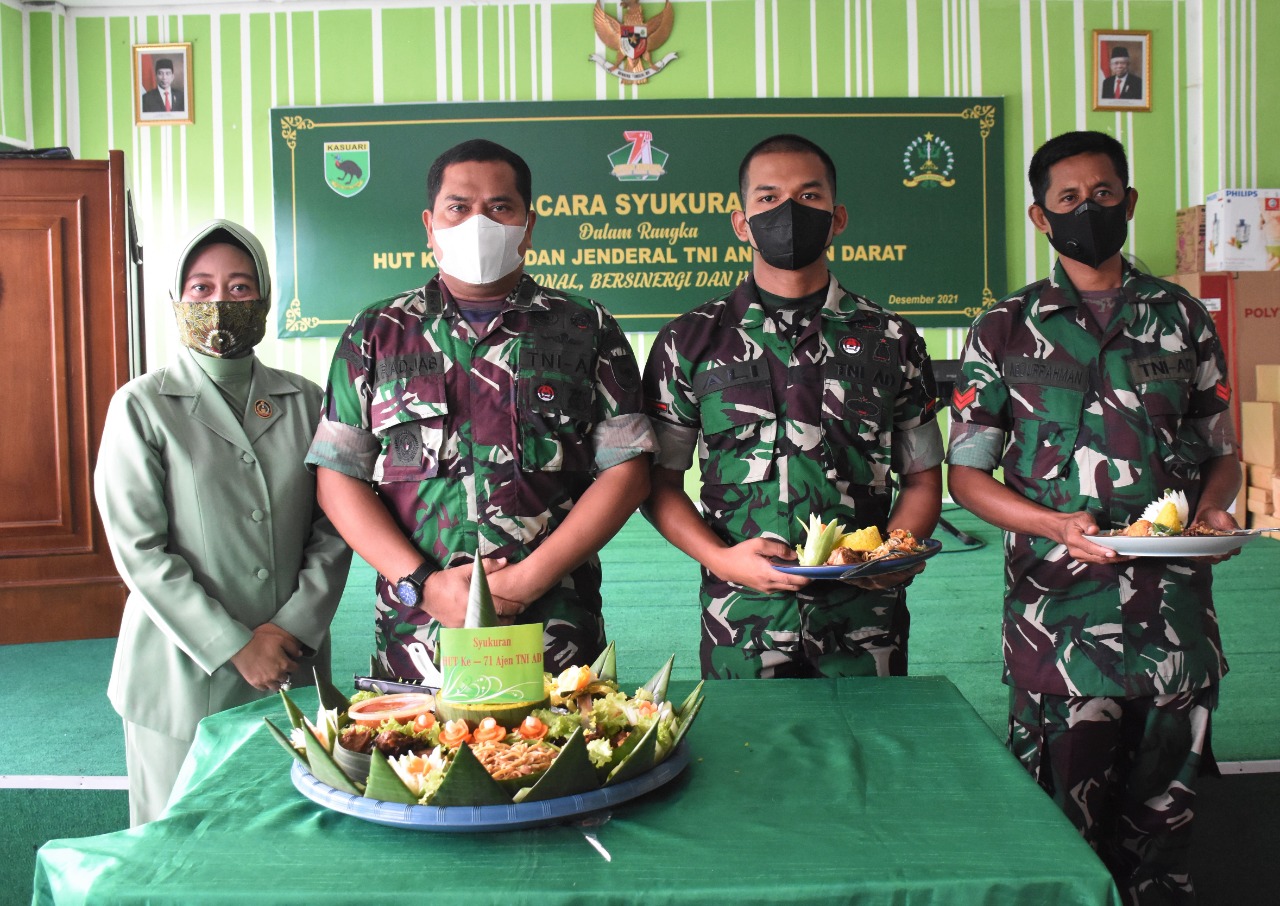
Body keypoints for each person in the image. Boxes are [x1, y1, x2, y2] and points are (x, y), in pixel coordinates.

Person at [946, 130, 1242, 904]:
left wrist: (1213, 510)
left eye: (1103, 194)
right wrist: (1050, 525)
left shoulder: (1181, 318)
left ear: (1129, 201)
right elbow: (968, 478)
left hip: (1174, 617)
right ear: (1042, 218)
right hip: (1059, 618)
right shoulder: (1005, 328)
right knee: (1056, 831)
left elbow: (1220, 450)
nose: (1088, 209)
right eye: (1068, 199)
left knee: (1163, 834)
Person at [306, 138, 655, 681]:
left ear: (528, 225)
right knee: (418, 764)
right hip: (420, 634)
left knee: (559, 757)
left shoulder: (587, 327)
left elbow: (627, 472)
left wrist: (530, 579)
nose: (479, 221)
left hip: (554, 629)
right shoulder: (375, 334)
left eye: (500, 207)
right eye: (459, 207)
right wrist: (421, 582)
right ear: (430, 225)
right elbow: (337, 477)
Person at [642, 133, 943, 680]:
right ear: (741, 223)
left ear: (837, 217)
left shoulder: (892, 339)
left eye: (809, 197)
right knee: (745, 760)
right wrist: (721, 559)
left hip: (865, 616)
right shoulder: (689, 342)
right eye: (768, 198)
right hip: (742, 615)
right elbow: (658, 484)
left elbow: (922, 478)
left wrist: (893, 558)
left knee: (872, 757)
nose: (788, 211)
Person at [95, 220, 352, 826]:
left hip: (291, 662)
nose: (219, 304)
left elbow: (336, 528)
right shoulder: (141, 405)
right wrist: (234, 646)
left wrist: (290, 632)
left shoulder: (307, 401)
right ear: (177, 300)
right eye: (202, 288)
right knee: (178, 842)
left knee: (287, 831)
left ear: (263, 298)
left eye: (239, 288)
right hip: (178, 672)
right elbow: (140, 549)